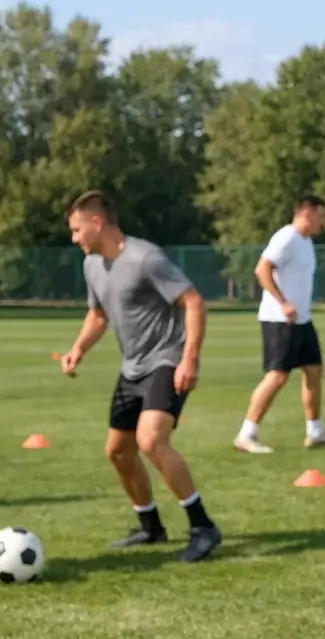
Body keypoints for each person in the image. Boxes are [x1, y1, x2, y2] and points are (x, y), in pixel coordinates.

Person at [61, 190, 221, 563]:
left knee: (151, 441)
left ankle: (202, 527)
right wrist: (78, 349)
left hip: (166, 361)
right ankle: (150, 526)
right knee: (117, 452)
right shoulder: (92, 265)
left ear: (97, 222)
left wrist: (189, 360)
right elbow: (98, 314)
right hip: (131, 368)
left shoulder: (145, 257)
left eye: (76, 229)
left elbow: (193, 302)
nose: (74, 239)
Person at [233, 194, 325, 453]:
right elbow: (262, 269)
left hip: (302, 320)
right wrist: (283, 302)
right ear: (306, 213)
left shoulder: (306, 242)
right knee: (277, 376)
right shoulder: (287, 237)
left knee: (314, 371)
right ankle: (246, 434)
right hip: (280, 320)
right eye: (320, 215)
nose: (323, 221)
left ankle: (315, 431)